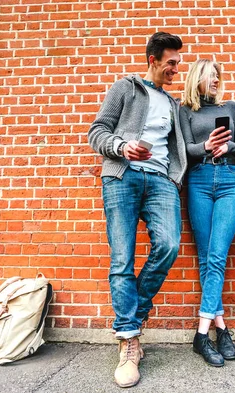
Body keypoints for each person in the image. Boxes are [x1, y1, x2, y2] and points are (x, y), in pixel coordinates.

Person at [88, 32, 186, 388]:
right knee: (122, 260)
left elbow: (183, 145)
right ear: (153, 60)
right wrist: (122, 146)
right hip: (123, 176)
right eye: (171, 62)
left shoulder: (175, 104)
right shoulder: (126, 87)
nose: (177, 68)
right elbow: (96, 131)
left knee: (169, 245)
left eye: (178, 62)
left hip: (161, 181)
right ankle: (130, 341)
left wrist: (176, 176)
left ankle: (133, 316)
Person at [179, 59, 235, 367]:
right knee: (207, 259)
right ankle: (222, 327)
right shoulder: (185, 111)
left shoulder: (232, 107)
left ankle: (201, 333)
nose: (216, 80)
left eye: (218, 76)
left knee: (217, 255)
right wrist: (206, 145)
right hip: (200, 180)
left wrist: (228, 147)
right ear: (197, 79)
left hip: (230, 179)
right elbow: (184, 149)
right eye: (210, 75)